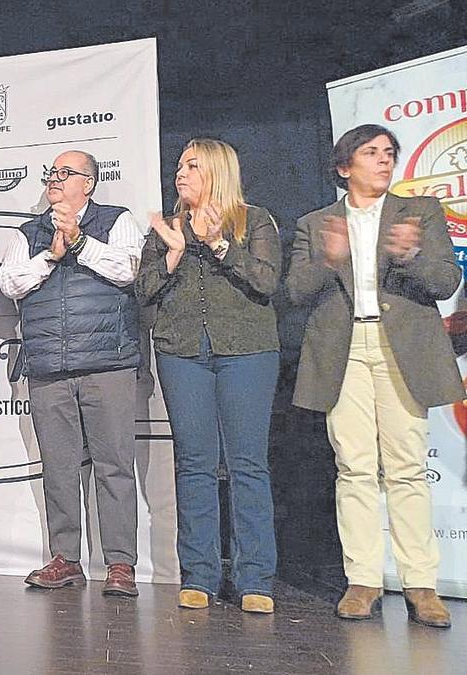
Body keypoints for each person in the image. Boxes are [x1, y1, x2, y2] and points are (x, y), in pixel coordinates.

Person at [287, 124, 463, 628]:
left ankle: (420, 585)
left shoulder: (420, 213)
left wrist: (407, 254)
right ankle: (362, 580)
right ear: (345, 167)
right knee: (355, 467)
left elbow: (446, 281)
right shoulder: (316, 222)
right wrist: (330, 258)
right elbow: (296, 291)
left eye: (389, 153)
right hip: (344, 350)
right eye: (371, 153)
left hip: (401, 347)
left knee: (407, 466)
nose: (384, 161)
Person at [134, 138, 281, 614]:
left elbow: (265, 281)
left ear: (218, 170)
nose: (180, 173)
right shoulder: (167, 228)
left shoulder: (254, 220)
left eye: (192, 165)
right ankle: (198, 574)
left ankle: (254, 576)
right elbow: (143, 291)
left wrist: (219, 244)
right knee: (194, 464)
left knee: (247, 465)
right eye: (179, 166)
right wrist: (174, 253)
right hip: (182, 354)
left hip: (247, 353)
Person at [0, 149, 145, 596]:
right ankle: (65, 558)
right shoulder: (29, 232)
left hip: (108, 364)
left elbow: (130, 270)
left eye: (67, 173)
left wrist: (79, 242)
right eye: (52, 173)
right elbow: (10, 283)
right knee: (59, 468)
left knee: (114, 466)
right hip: (49, 367)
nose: (55, 179)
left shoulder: (117, 220)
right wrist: (51, 254)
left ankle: (120, 563)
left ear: (91, 184)